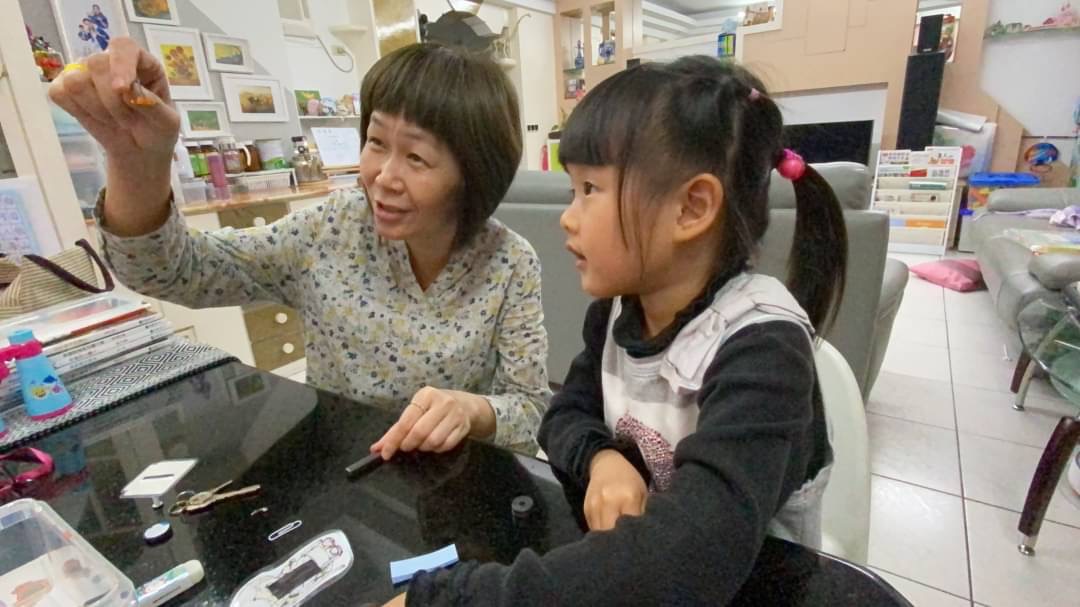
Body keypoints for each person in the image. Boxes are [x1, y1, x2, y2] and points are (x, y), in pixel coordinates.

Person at [385, 56, 847, 605]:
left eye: (590, 189)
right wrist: (603, 459)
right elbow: (563, 414)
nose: (568, 216)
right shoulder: (619, 310)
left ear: (691, 208)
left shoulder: (764, 351)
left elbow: (696, 557)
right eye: (570, 190)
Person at [47, 39, 550, 456]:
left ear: (473, 172)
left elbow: (529, 409)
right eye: (376, 142)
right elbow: (172, 271)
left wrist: (471, 410)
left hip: (460, 478)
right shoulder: (332, 229)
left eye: (416, 157)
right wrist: (138, 161)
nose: (383, 177)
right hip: (346, 472)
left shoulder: (508, 263)